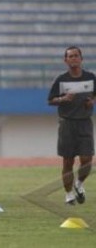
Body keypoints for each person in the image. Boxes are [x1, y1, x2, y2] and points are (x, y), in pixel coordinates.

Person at [48, 46, 96, 205]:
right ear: (65, 60)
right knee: (68, 161)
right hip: (67, 123)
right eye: (70, 56)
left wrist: (92, 101)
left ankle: (79, 184)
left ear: (81, 59)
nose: (74, 58)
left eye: (76, 56)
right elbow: (50, 100)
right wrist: (63, 99)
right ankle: (68, 195)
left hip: (85, 122)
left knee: (87, 160)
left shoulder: (91, 77)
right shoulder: (61, 79)